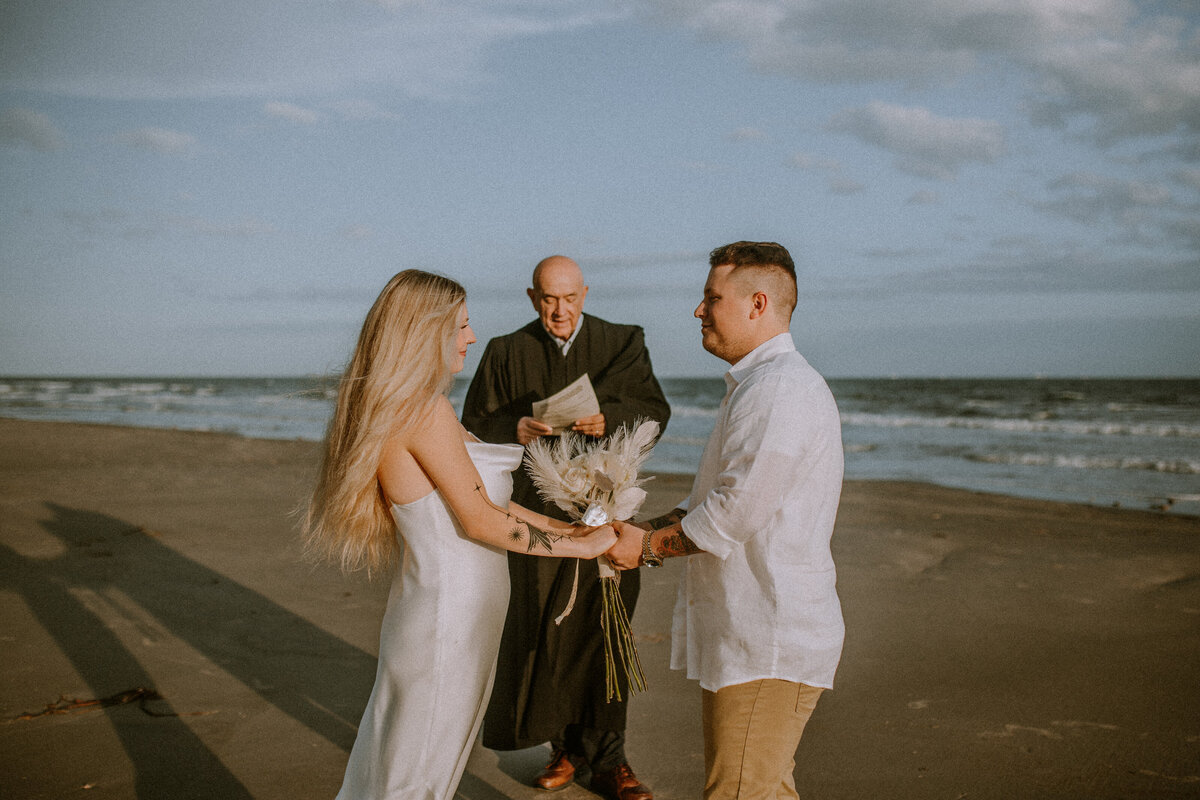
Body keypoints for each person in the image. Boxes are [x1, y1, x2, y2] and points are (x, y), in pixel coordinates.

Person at [303, 269, 617, 800]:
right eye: (462, 326)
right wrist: (582, 546)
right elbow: (479, 520)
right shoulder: (423, 410)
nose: (471, 338)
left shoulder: (412, 405)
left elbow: (494, 503)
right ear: (425, 331)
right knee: (417, 774)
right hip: (448, 618)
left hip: (447, 610)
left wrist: (571, 529)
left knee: (409, 761)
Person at [607, 242, 845, 800]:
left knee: (740, 793)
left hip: (767, 639)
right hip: (753, 636)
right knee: (764, 790)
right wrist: (635, 530)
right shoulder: (759, 387)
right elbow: (711, 504)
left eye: (712, 298)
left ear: (757, 303)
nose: (698, 311)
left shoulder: (778, 391)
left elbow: (730, 516)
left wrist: (641, 549)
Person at [462, 255, 670, 800]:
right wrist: (516, 426)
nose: (560, 310)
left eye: (570, 297)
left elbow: (653, 409)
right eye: (549, 299)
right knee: (545, 628)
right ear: (533, 297)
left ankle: (611, 760)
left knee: (607, 627)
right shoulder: (505, 350)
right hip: (537, 513)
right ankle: (563, 749)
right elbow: (473, 426)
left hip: (606, 508)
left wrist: (611, 418)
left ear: (585, 293)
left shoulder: (623, 340)